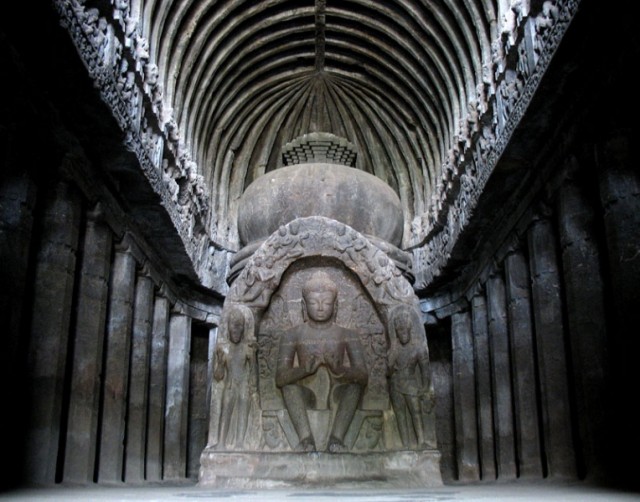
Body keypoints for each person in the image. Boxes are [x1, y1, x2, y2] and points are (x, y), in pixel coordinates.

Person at [275, 271, 368, 452]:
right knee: (289, 388)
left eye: (326, 302)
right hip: (306, 392)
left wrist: (340, 369)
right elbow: (280, 378)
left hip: (337, 391)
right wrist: (304, 370)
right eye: (313, 302)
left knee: (355, 388)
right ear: (304, 305)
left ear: (336, 305)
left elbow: (363, 376)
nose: (319, 307)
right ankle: (306, 439)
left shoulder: (348, 335)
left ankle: (336, 438)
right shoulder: (292, 335)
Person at [387, 306, 434, 449]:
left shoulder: (418, 348)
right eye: (399, 331)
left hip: (411, 383)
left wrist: (425, 388)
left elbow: (425, 371)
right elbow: (387, 372)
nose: (402, 334)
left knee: (416, 412)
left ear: (409, 330)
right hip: (395, 384)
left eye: (404, 330)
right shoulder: (394, 349)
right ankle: (405, 445)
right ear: (396, 332)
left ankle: (421, 441)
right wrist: (391, 361)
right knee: (400, 414)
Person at [213, 305, 255, 450]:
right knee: (225, 412)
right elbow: (218, 376)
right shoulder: (224, 349)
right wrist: (220, 362)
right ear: (228, 327)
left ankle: (240, 443)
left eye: (239, 326)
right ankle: (221, 443)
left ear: (244, 329)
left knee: (243, 413)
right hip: (230, 385)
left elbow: (253, 372)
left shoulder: (247, 348)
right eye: (233, 326)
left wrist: (253, 387)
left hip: (244, 385)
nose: (236, 330)